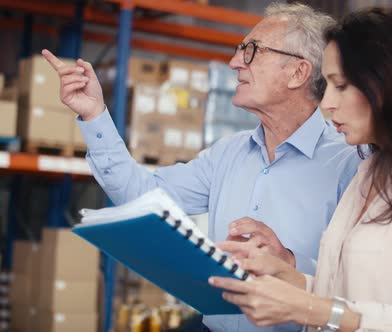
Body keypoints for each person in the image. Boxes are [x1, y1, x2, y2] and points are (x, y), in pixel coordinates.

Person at [42, 3, 361, 332]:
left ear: (298, 72)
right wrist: (95, 114)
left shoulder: (350, 164)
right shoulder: (227, 154)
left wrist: (291, 266)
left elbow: (367, 286)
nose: (235, 62)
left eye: (252, 51)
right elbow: (140, 195)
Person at [210, 7, 392, 332]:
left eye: (339, 86)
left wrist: (308, 307)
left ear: (385, 85)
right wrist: (288, 278)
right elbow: (344, 298)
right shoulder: (370, 171)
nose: (326, 104)